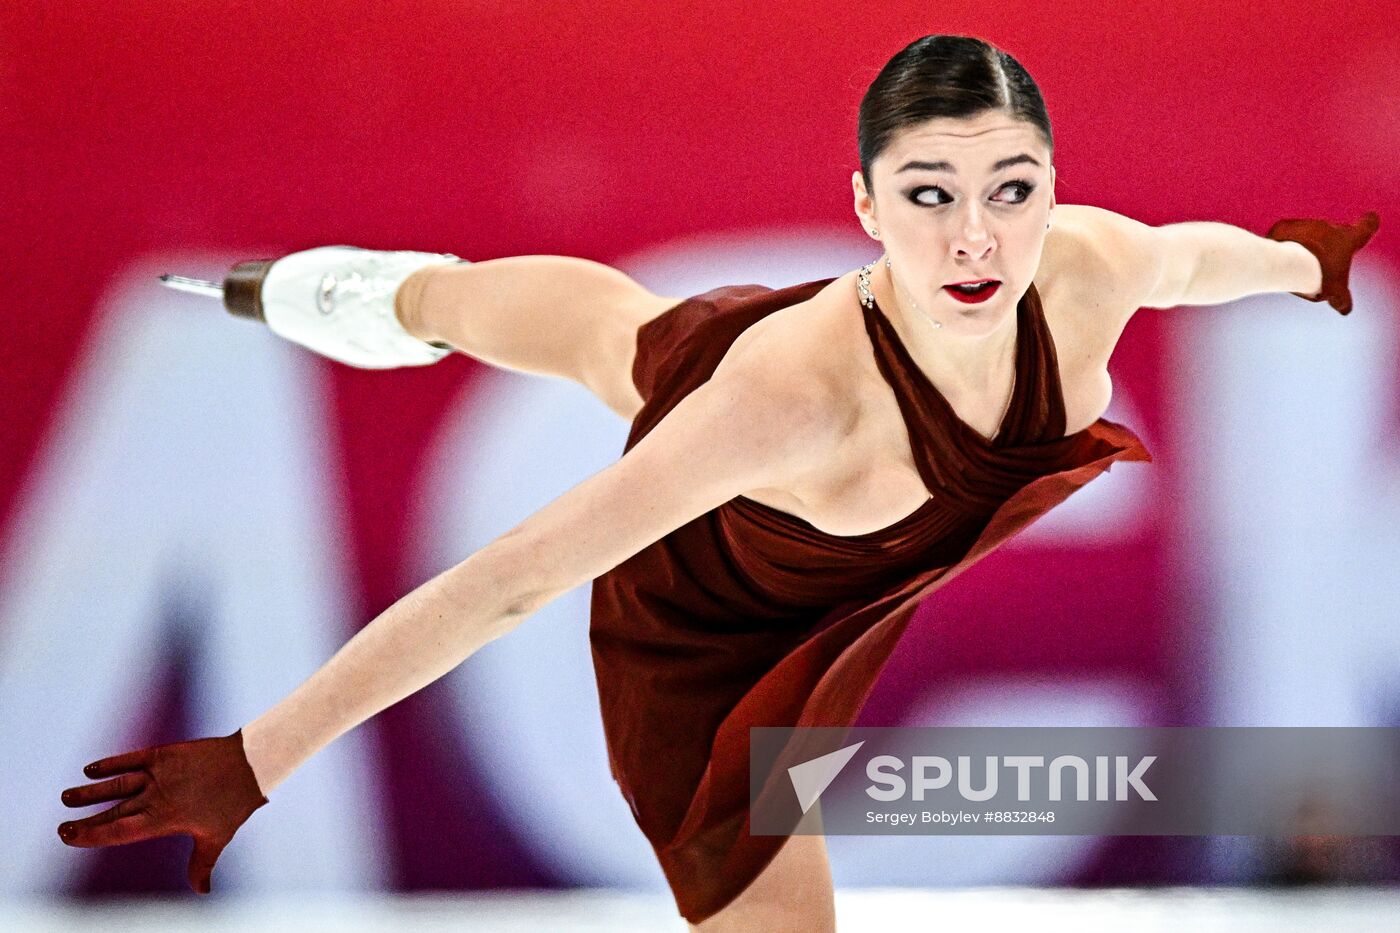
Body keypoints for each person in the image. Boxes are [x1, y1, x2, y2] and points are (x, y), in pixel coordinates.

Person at [56, 33, 1378, 932]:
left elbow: (1195, 260)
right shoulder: (778, 407)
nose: (978, 235)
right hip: (709, 620)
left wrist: (1299, 263)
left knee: (618, 330)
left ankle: (382, 289)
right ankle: (341, 286)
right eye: (930, 194)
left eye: (1011, 189)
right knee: (532, 319)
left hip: (807, 457)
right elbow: (508, 578)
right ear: (864, 204)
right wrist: (257, 756)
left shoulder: (1083, 265)